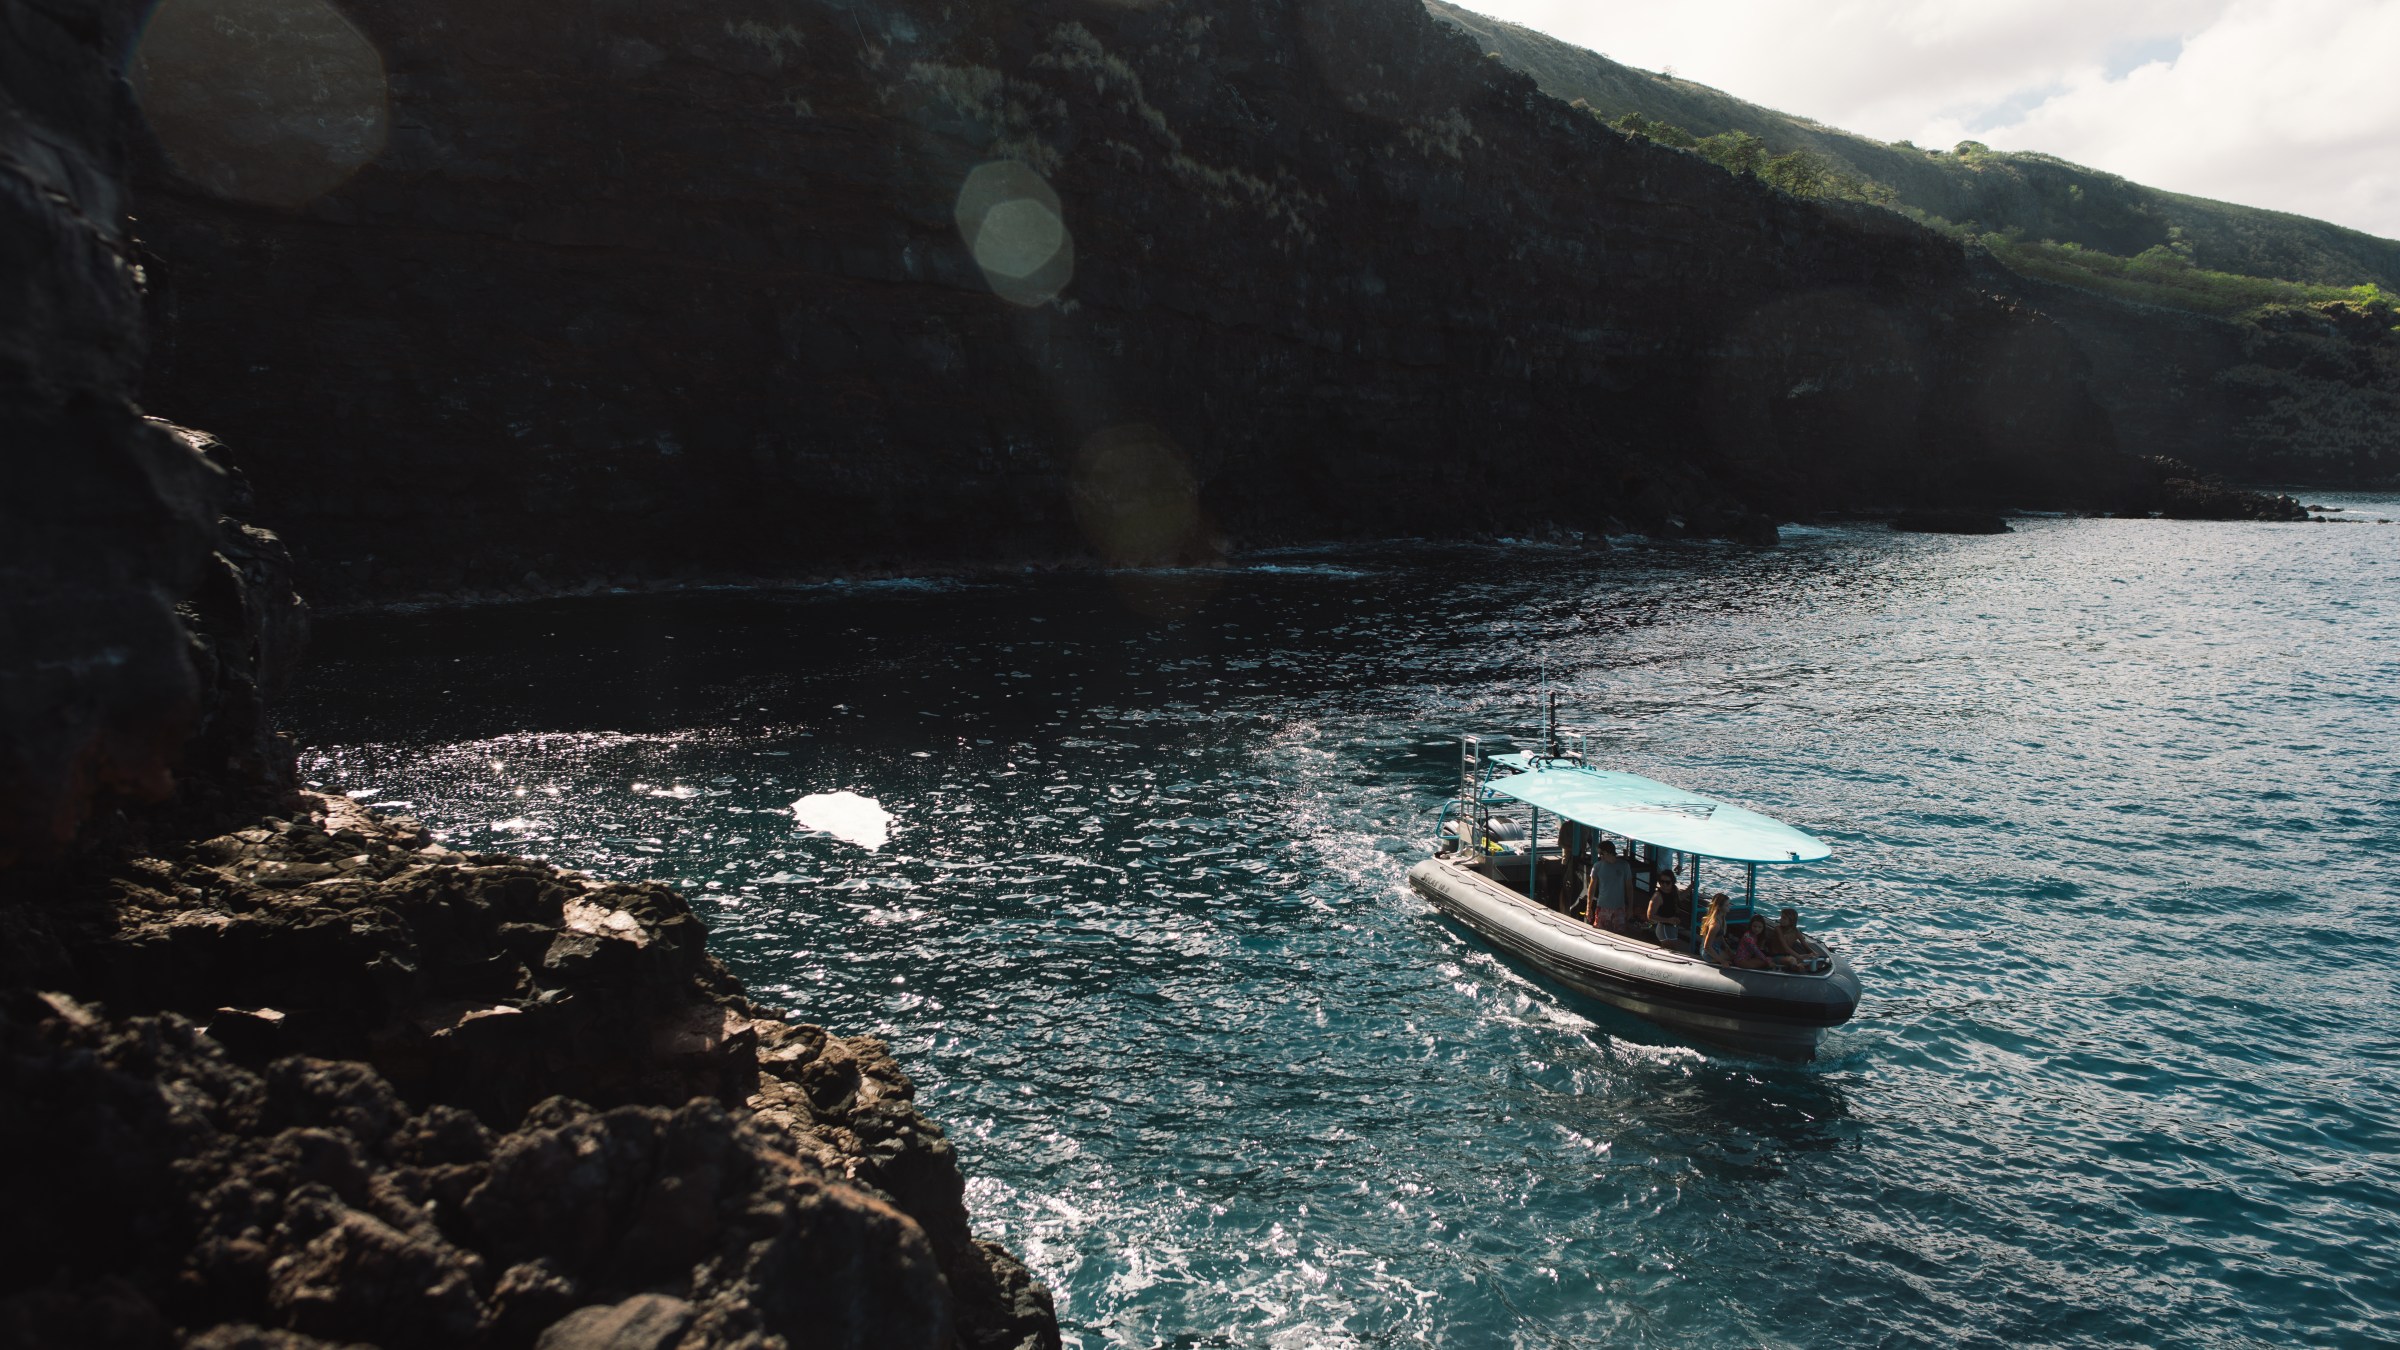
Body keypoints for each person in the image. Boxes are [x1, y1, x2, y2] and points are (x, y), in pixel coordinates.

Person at [1583, 839, 1633, 930]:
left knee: (1620, 933)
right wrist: (1588, 907)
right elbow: (1592, 888)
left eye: (1601, 854)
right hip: (1602, 907)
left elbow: (1629, 887)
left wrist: (1630, 907)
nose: (1600, 856)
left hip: (1619, 908)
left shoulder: (1624, 866)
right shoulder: (1597, 866)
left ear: (1607, 853)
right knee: (1600, 932)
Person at [1760, 907, 1813, 971]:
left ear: (1791, 921)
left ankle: (1798, 965)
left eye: (1784, 918)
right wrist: (1799, 957)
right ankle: (1797, 966)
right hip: (1775, 956)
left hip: (1788, 955)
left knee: (1807, 956)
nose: (1781, 919)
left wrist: (1813, 953)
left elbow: (1805, 946)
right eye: (1781, 917)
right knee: (1791, 960)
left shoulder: (1796, 931)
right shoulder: (1778, 929)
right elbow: (1786, 948)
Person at [1646, 867, 1683, 946]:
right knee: (1670, 949)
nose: (1664, 884)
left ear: (1672, 882)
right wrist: (1668, 920)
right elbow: (1650, 916)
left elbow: (1680, 897)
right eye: (1661, 882)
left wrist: (1691, 887)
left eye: (1667, 882)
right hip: (1664, 928)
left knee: (1672, 949)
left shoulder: (1674, 890)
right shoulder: (1657, 896)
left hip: (1673, 927)